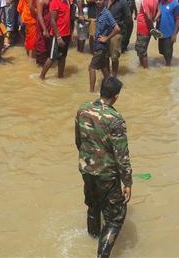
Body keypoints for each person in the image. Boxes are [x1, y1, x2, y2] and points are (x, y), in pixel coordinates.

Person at [74, 77, 132, 258]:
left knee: (93, 205)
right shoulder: (115, 119)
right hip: (106, 174)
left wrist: (87, 159)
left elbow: (78, 140)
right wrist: (127, 182)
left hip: (86, 168)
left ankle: (92, 238)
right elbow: (121, 154)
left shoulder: (82, 109)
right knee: (115, 218)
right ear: (116, 97)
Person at [89, 0, 120, 93]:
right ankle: (111, 90)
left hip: (101, 46)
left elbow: (117, 28)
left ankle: (91, 92)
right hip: (98, 45)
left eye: (100, 0)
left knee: (91, 68)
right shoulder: (99, 11)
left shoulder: (106, 13)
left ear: (105, 1)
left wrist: (106, 38)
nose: (98, 2)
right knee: (104, 68)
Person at [41, 0, 72, 80]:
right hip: (57, 35)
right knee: (52, 57)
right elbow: (53, 21)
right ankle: (42, 76)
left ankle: (61, 77)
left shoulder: (67, 0)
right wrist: (58, 37)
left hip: (67, 34)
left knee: (63, 57)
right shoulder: (55, 2)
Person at [134, 0, 159, 69]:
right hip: (148, 29)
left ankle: (145, 69)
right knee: (141, 49)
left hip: (143, 29)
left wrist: (152, 29)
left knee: (142, 51)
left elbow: (148, 17)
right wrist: (154, 23)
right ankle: (142, 67)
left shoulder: (145, 0)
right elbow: (158, 11)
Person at [156, 0, 179, 66]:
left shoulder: (175, 4)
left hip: (169, 34)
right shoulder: (161, 2)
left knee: (168, 54)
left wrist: (174, 34)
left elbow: (178, 20)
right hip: (161, 33)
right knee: (162, 51)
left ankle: (168, 67)